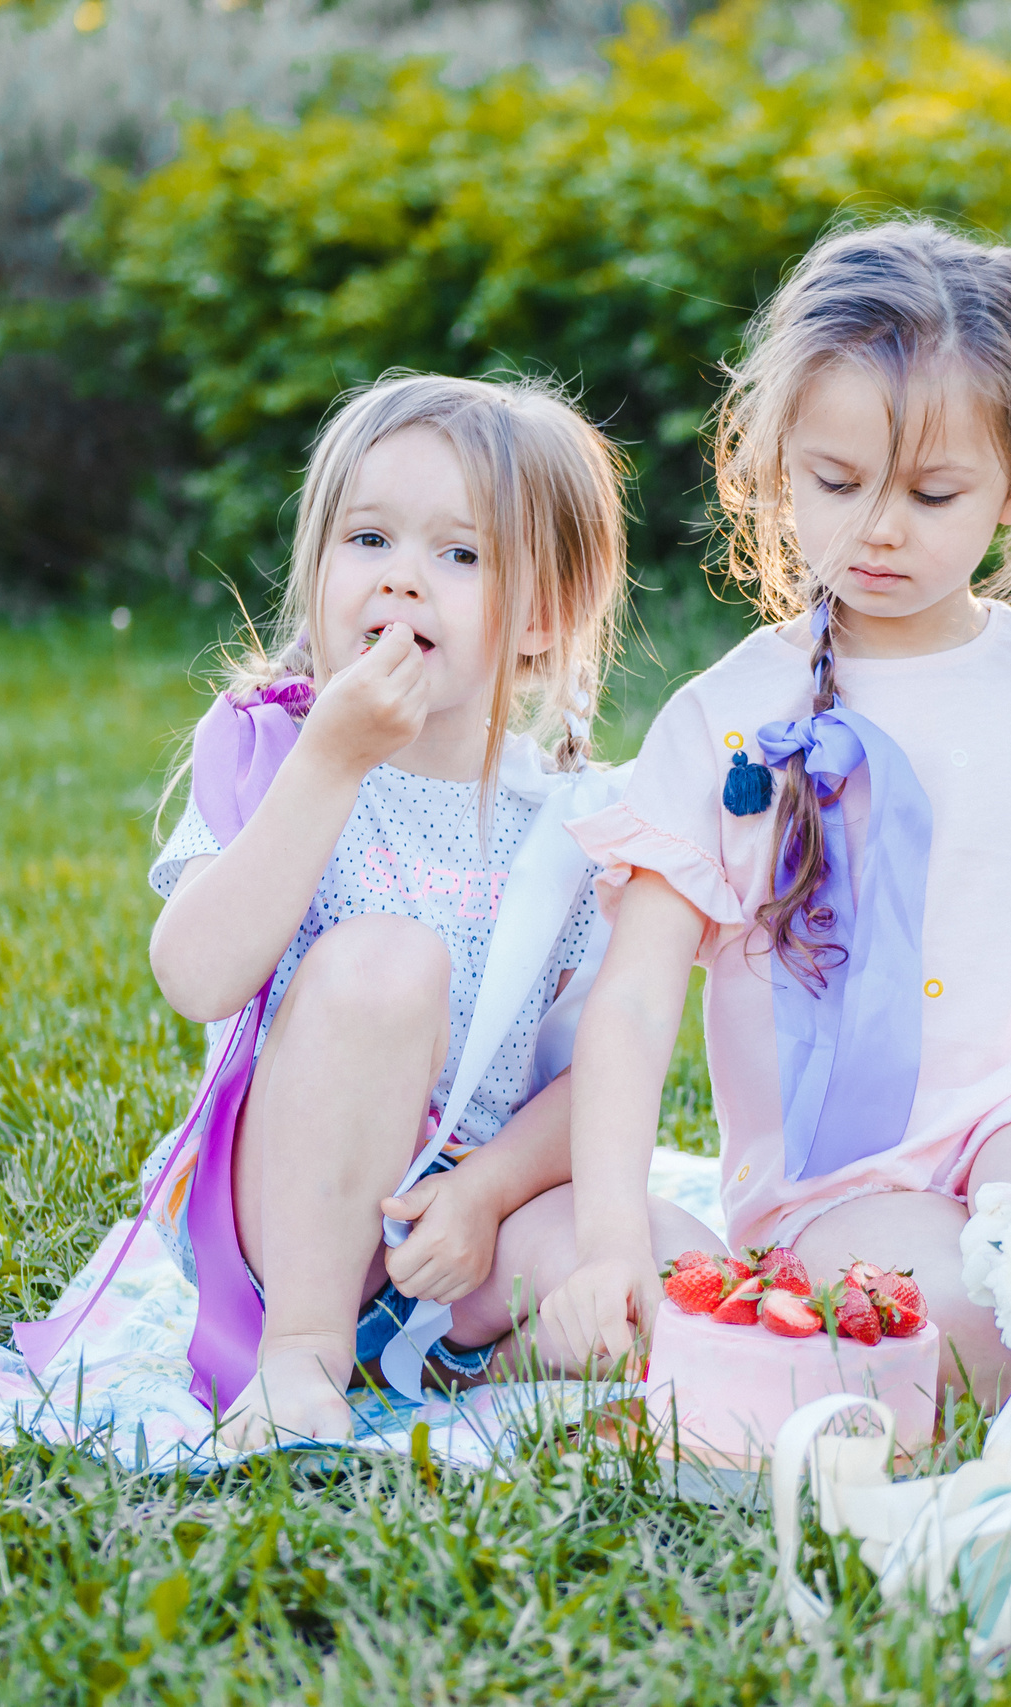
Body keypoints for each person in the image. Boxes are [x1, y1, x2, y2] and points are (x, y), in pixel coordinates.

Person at [548, 220, 1011, 1402]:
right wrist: (610, 1243)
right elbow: (637, 998)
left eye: (932, 492)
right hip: (840, 1184)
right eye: (837, 481)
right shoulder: (726, 722)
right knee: (962, 1316)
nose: (879, 528)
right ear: (774, 462)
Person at [116, 372, 716, 1448]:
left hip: (459, 1233)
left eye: (459, 554)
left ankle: (476, 1357)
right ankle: (303, 1358)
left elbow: (594, 1074)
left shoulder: (578, 826)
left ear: (543, 617)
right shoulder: (274, 751)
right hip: (283, 1213)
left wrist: (486, 1192)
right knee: (388, 963)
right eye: (368, 540)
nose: (400, 578)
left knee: (677, 1267)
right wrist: (330, 763)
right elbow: (195, 977)